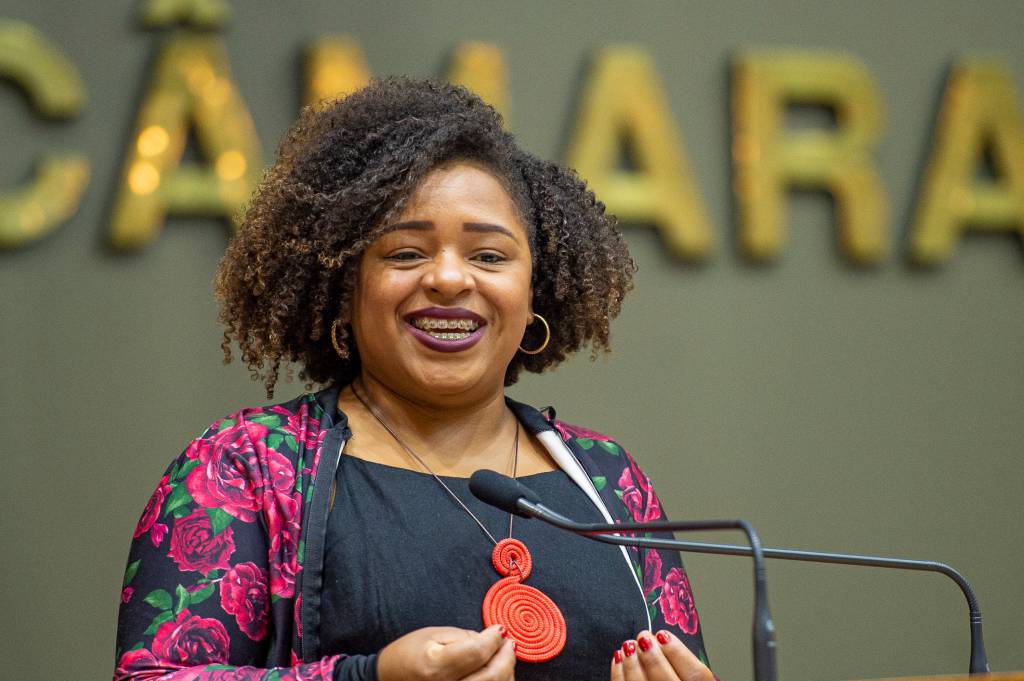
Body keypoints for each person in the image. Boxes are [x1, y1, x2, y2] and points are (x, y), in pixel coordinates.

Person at [113, 77, 714, 681]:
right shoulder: (245, 465)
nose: (450, 279)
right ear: (343, 292)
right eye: (405, 254)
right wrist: (367, 678)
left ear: (535, 294)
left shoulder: (611, 483)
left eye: (489, 256)